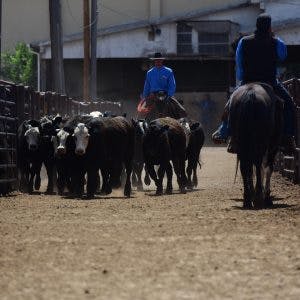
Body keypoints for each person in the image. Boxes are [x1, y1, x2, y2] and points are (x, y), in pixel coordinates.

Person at [212, 13, 296, 154]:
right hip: (270, 82)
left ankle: (226, 132)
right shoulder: (276, 42)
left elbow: (239, 63)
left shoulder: (244, 41)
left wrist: (241, 82)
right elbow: (283, 55)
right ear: (269, 27)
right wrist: (275, 37)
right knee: (289, 104)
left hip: (247, 81)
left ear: (256, 26)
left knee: (231, 104)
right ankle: (287, 137)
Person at [141, 52, 186, 120]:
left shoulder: (169, 71)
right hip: (153, 94)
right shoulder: (149, 73)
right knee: (144, 110)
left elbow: (172, 85)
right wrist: (145, 96)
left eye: (159, 60)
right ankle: (143, 122)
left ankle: (183, 122)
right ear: (154, 61)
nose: (158, 61)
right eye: (156, 60)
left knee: (181, 109)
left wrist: (169, 95)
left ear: (162, 60)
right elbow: (147, 85)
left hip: (166, 94)